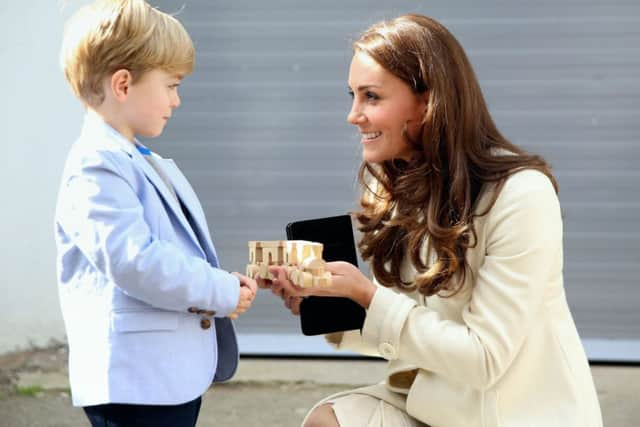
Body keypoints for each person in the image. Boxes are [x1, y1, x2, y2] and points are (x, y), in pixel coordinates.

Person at [265, 13, 603, 427]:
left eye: (371, 96)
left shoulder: (522, 194)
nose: (353, 115)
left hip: (511, 413)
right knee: (328, 421)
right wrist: (336, 307)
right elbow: (410, 333)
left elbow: (484, 359)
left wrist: (369, 297)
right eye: (352, 95)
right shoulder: (394, 187)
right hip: (432, 401)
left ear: (427, 101)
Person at [55, 1, 257, 426]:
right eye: (170, 85)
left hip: (163, 379)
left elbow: (171, 250)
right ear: (123, 84)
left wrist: (222, 285)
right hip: (136, 386)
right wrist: (217, 290)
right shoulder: (98, 163)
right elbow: (136, 261)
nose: (177, 100)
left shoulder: (135, 158)